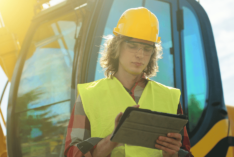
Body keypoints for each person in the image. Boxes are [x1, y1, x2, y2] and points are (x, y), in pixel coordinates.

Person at [64, 7, 193, 157]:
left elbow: (185, 152)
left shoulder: (170, 98)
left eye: (147, 48)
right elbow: (72, 154)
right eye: (132, 46)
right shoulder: (88, 96)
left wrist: (173, 154)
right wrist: (113, 139)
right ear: (117, 46)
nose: (140, 55)